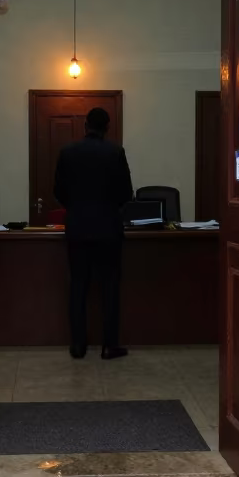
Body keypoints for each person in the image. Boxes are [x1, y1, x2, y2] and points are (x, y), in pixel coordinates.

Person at [53, 107, 133, 360]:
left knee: (78, 286)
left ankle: (78, 346)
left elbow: (58, 191)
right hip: (108, 229)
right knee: (110, 287)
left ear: (85, 125)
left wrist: (76, 207)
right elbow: (126, 193)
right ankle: (109, 346)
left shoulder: (67, 153)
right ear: (107, 127)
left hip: (77, 229)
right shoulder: (115, 153)